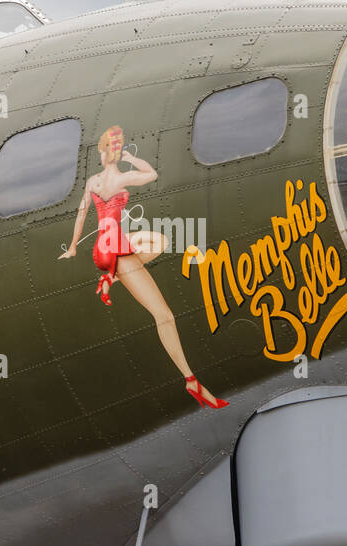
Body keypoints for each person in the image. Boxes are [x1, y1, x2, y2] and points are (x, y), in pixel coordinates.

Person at [59, 126, 227, 409]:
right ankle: (191, 381)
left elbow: (81, 214)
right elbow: (152, 174)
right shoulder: (122, 178)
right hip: (116, 250)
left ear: (102, 153)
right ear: (114, 153)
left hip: (107, 244)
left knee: (158, 240)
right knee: (164, 316)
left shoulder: (93, 182)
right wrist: (132, 159)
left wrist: (74, 246)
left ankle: (111, 277)